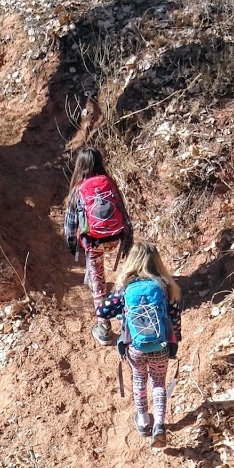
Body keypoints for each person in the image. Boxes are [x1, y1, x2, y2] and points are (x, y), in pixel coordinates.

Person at [96, 242, 181, 450]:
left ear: (131, 261)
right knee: (158, 383)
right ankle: (159, 425)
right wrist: (176, 339)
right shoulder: (165, 286)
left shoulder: (125, 287)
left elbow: (102, 311)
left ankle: (143, 422)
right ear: (156, 261)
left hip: (134, 346)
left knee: (139, 380)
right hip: (160, 345)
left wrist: (122, 312)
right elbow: (175, 315)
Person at [62, 145, 131, 345]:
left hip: (94, 244)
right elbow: (124, 213)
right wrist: (127, 241)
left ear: (80, 165)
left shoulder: (77, 190)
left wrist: (72, 244)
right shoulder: (109, 183)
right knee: (98, 273)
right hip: (115, 239)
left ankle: (104, 329)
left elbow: (70, 225)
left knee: (99, 284)